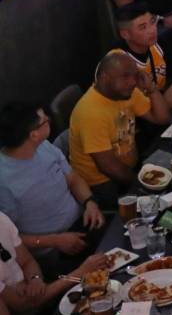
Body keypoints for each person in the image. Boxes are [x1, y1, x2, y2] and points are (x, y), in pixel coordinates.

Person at [0, 103, 104, 260]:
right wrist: (55, 241)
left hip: (83, 222)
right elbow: (8, 237)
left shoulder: (43, 146)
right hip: (52, 248)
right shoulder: (4, 181)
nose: (49, 119)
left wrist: (89, 202)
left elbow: (73, 179)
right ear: (33, 134)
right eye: (44, 120)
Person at [68, 50, 171, 204]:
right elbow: (109, 167)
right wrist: (144, 184)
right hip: (104, 184)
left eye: (134, 75)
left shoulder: (125, 92)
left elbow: (162, 118)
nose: (132, 82)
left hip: (130, 169)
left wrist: (152, 89)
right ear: (104, 77)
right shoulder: (91, 113)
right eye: (125, 76)